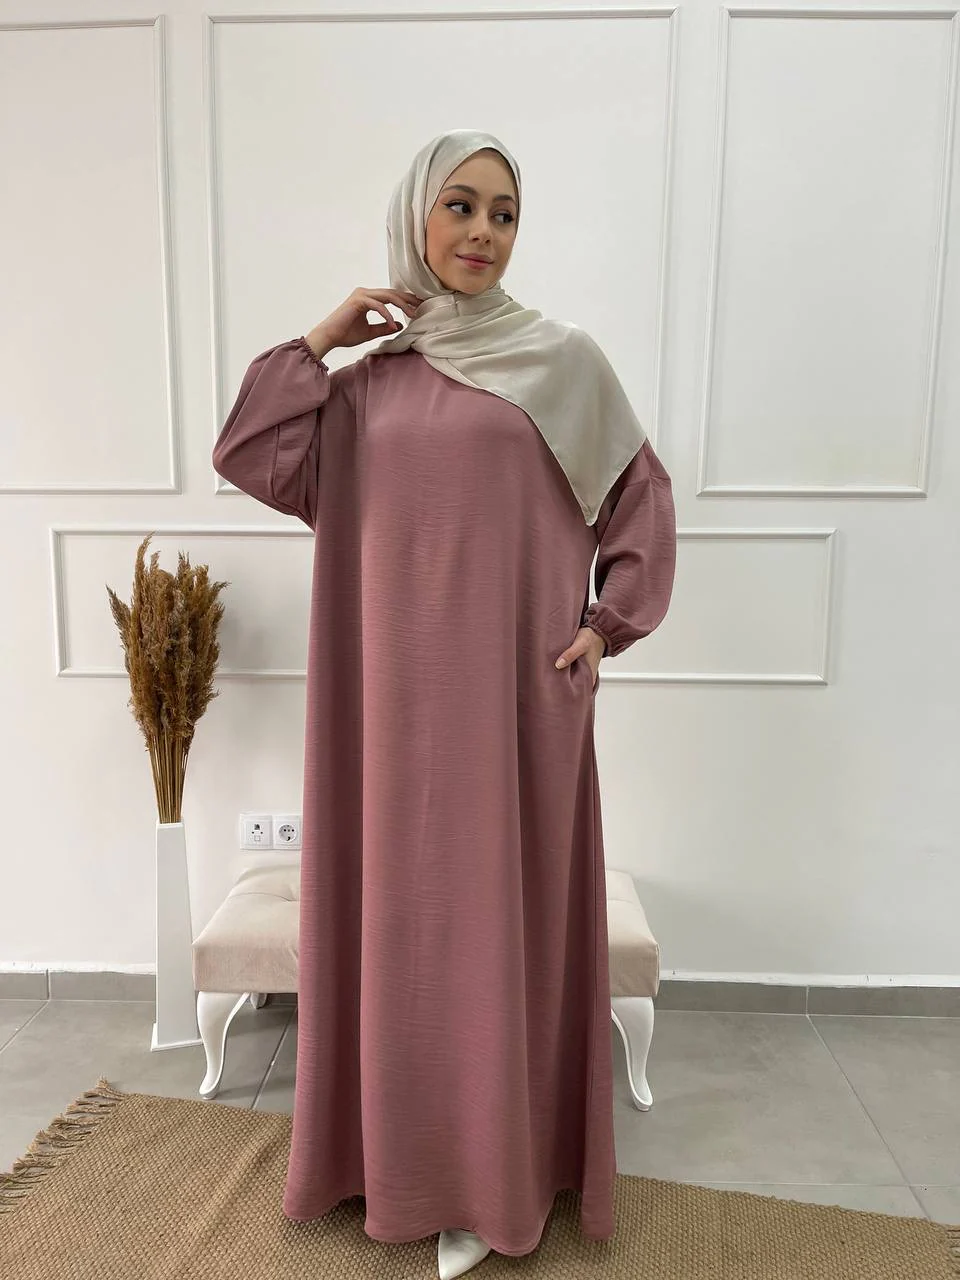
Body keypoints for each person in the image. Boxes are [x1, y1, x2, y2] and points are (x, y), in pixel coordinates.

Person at [212, 129, 677, 1280]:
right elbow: (248, 448)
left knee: (494, 930)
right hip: (385, 709)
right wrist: (324, 337)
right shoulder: (364, 389)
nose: (482, 232)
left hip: (518, 700)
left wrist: (608, 620)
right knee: (403, 931)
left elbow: (640, 496)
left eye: (504, 213)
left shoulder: (563, 362)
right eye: (459, 205)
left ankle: (492, 1175)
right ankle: (396, 1158)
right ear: (415, 215)